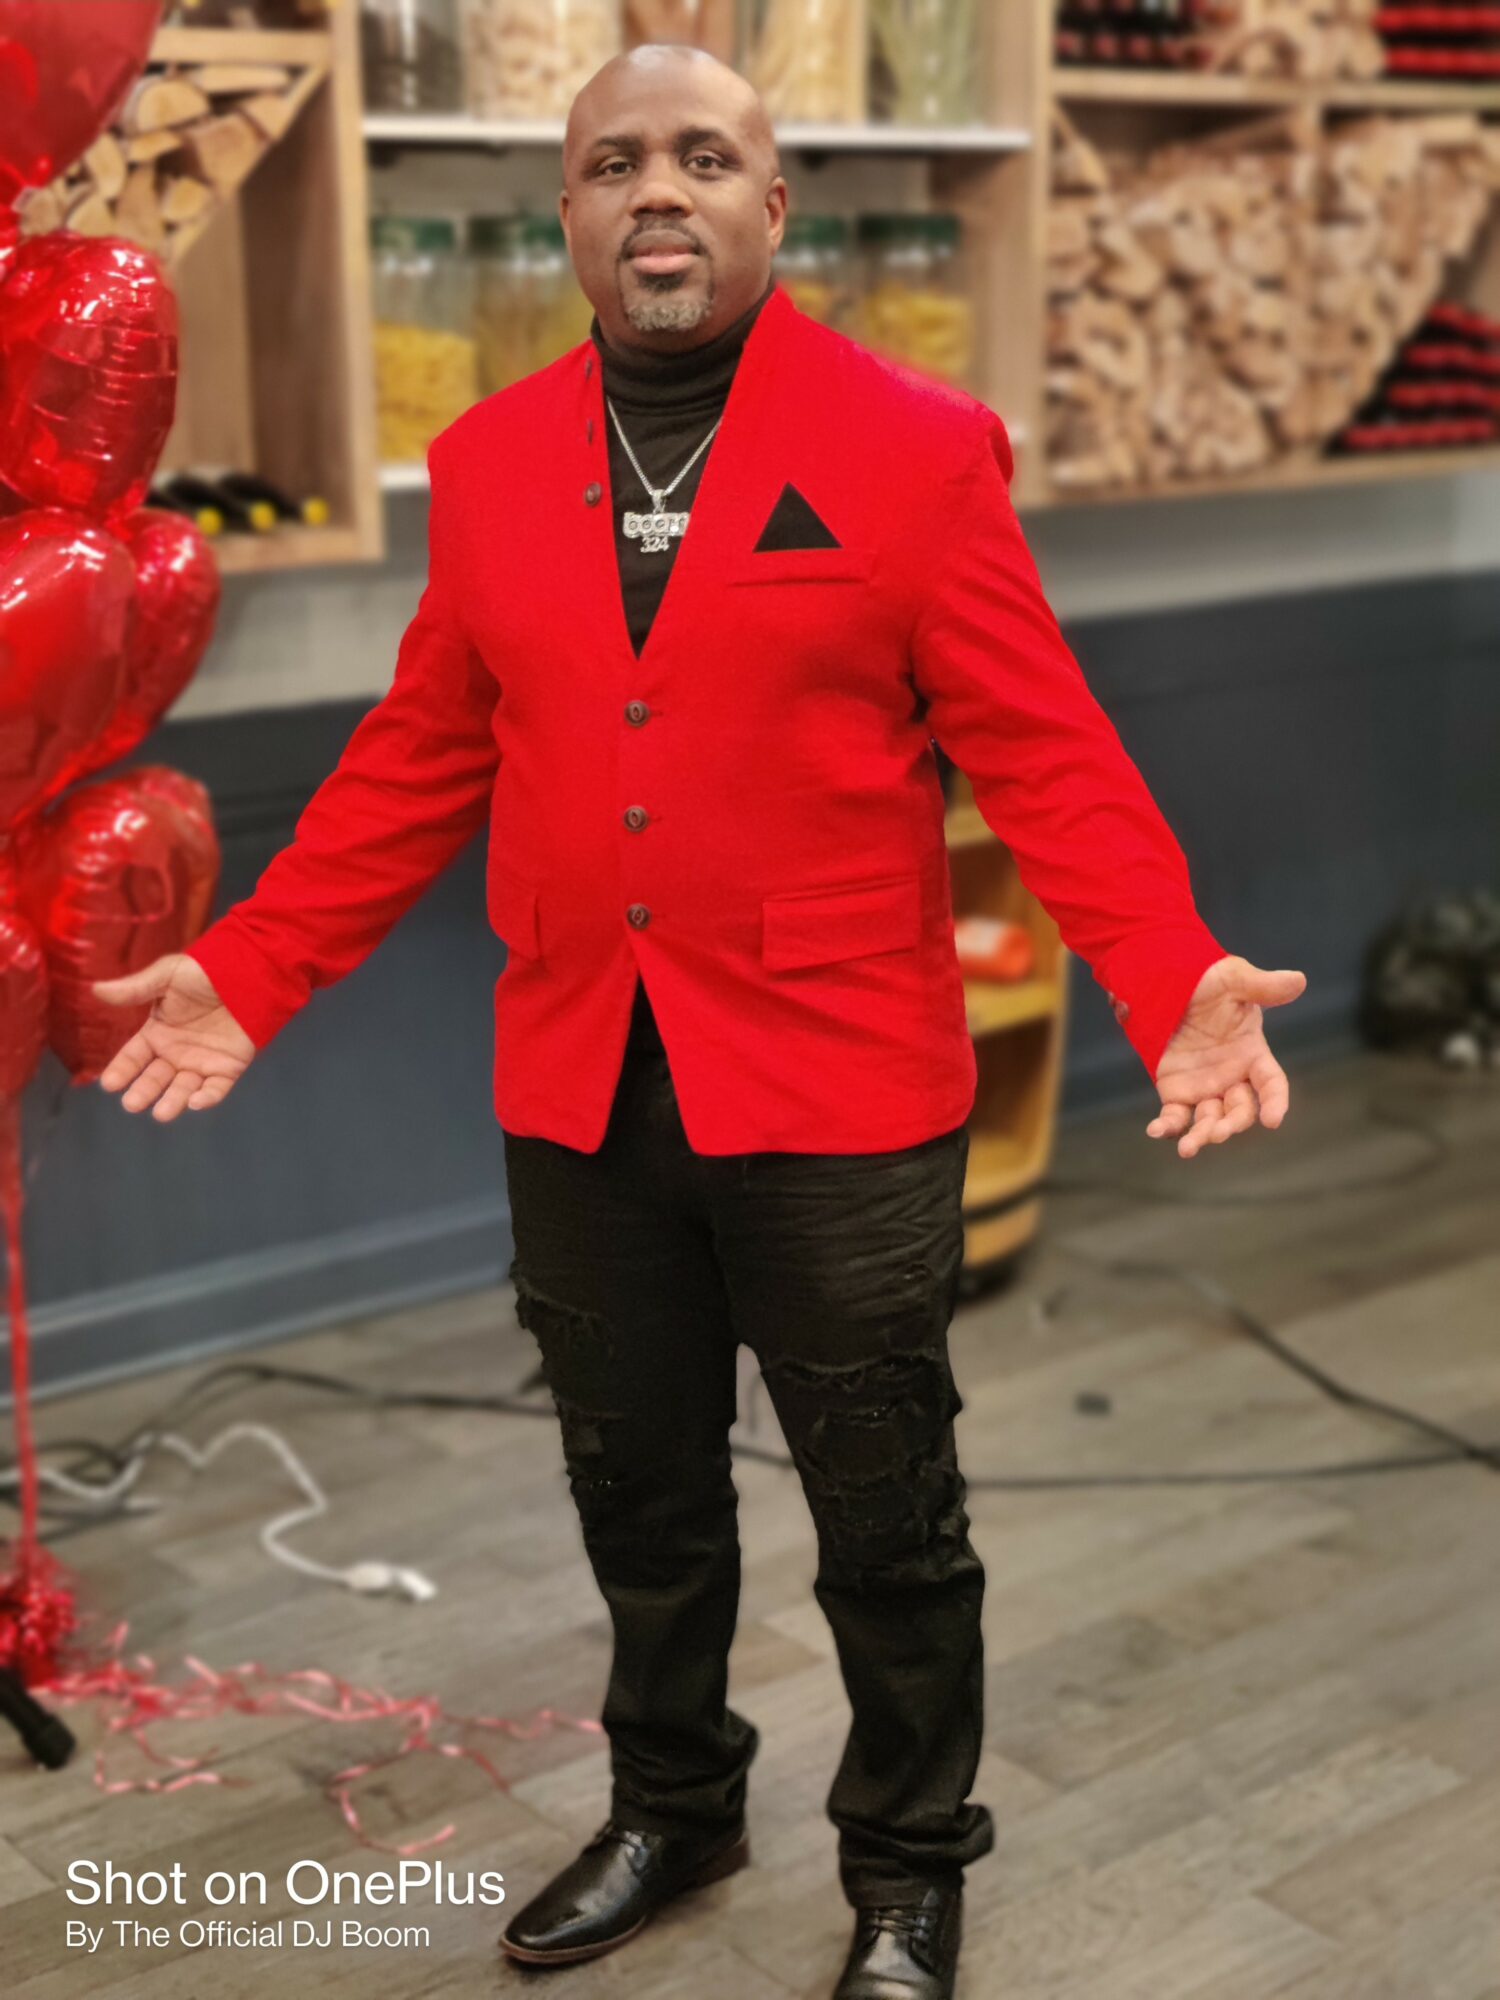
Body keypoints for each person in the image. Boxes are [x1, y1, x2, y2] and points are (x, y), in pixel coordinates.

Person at [92, 41, 1306, 2000]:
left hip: (841, 1083)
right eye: (615, 163)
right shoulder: (489, 464)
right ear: (569, 211)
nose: (657, 190)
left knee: (886, 1518)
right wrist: (250, 966)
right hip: (582, 1080)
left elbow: (1048, 753)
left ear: (773, 204)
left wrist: (1171, 975)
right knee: (637, 1499)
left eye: (702, 157)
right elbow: (418, 756)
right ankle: (676, 1803)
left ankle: (908, 1862)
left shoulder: (918, 448)